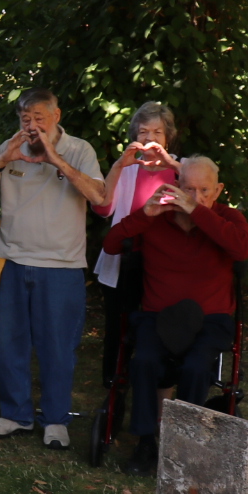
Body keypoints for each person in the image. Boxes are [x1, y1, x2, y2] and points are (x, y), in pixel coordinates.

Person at [0, 88, 106, 449]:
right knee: (9, 344)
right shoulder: (10, 146)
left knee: (58, 346)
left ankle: (56, 419)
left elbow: (99, 197)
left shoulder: (80, 149)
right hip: (12, 261)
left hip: (61, 265)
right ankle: (15, 415)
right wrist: (0, 161)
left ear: (56, 116)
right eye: (24, 118)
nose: (30, 125)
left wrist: (55, 159)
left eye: (38, 118)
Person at [102, 156, 248, 473]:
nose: (195, 197)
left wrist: (199, 213)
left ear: (218, 190)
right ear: (175, 186)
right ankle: (145, 443)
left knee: (197, 367)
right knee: (143, 361)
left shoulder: (227, 218)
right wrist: (144, 213)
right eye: (188, 189)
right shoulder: (157, 219)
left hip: (211, 319)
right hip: (158, 316)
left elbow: (242, 249)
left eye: (204, 190)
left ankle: (186, 444)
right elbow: (113, 244)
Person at [91, 103, 181, 384]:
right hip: (125, 257)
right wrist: (119, 165)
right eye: (144, 131)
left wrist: (173, 165)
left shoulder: (181, 169)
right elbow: (103, 209)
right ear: (134, 135)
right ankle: (113, 387)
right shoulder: (127, 167)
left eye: (157, 131)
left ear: (168, 138)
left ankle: (157, 386)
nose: (150, 138)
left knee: (161, 327)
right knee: (118, 328)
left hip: (166, 262)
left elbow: (201, 199)